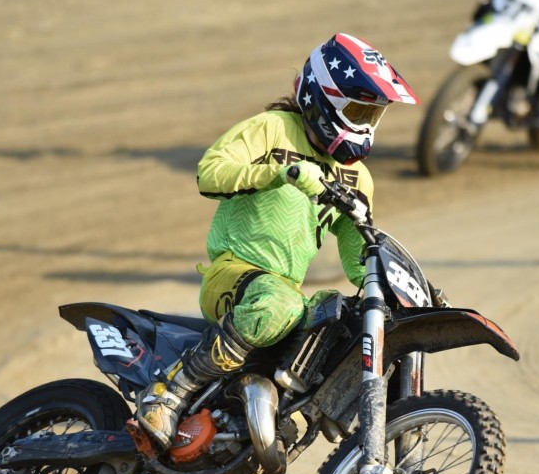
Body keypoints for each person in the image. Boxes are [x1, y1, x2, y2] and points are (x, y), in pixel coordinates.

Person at [136, 33, 417, 450]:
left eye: (372, 114)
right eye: (358, 110)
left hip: (284, 293)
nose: (365, 123)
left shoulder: (358, 178)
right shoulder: (274, 128)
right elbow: (209, 173)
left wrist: (407, 292)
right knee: (279, 304)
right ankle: (168, 393)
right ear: (324, 96)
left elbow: (357, 259)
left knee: (339, 316)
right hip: (234, 273)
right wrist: (279, 173)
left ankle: (273, 420)